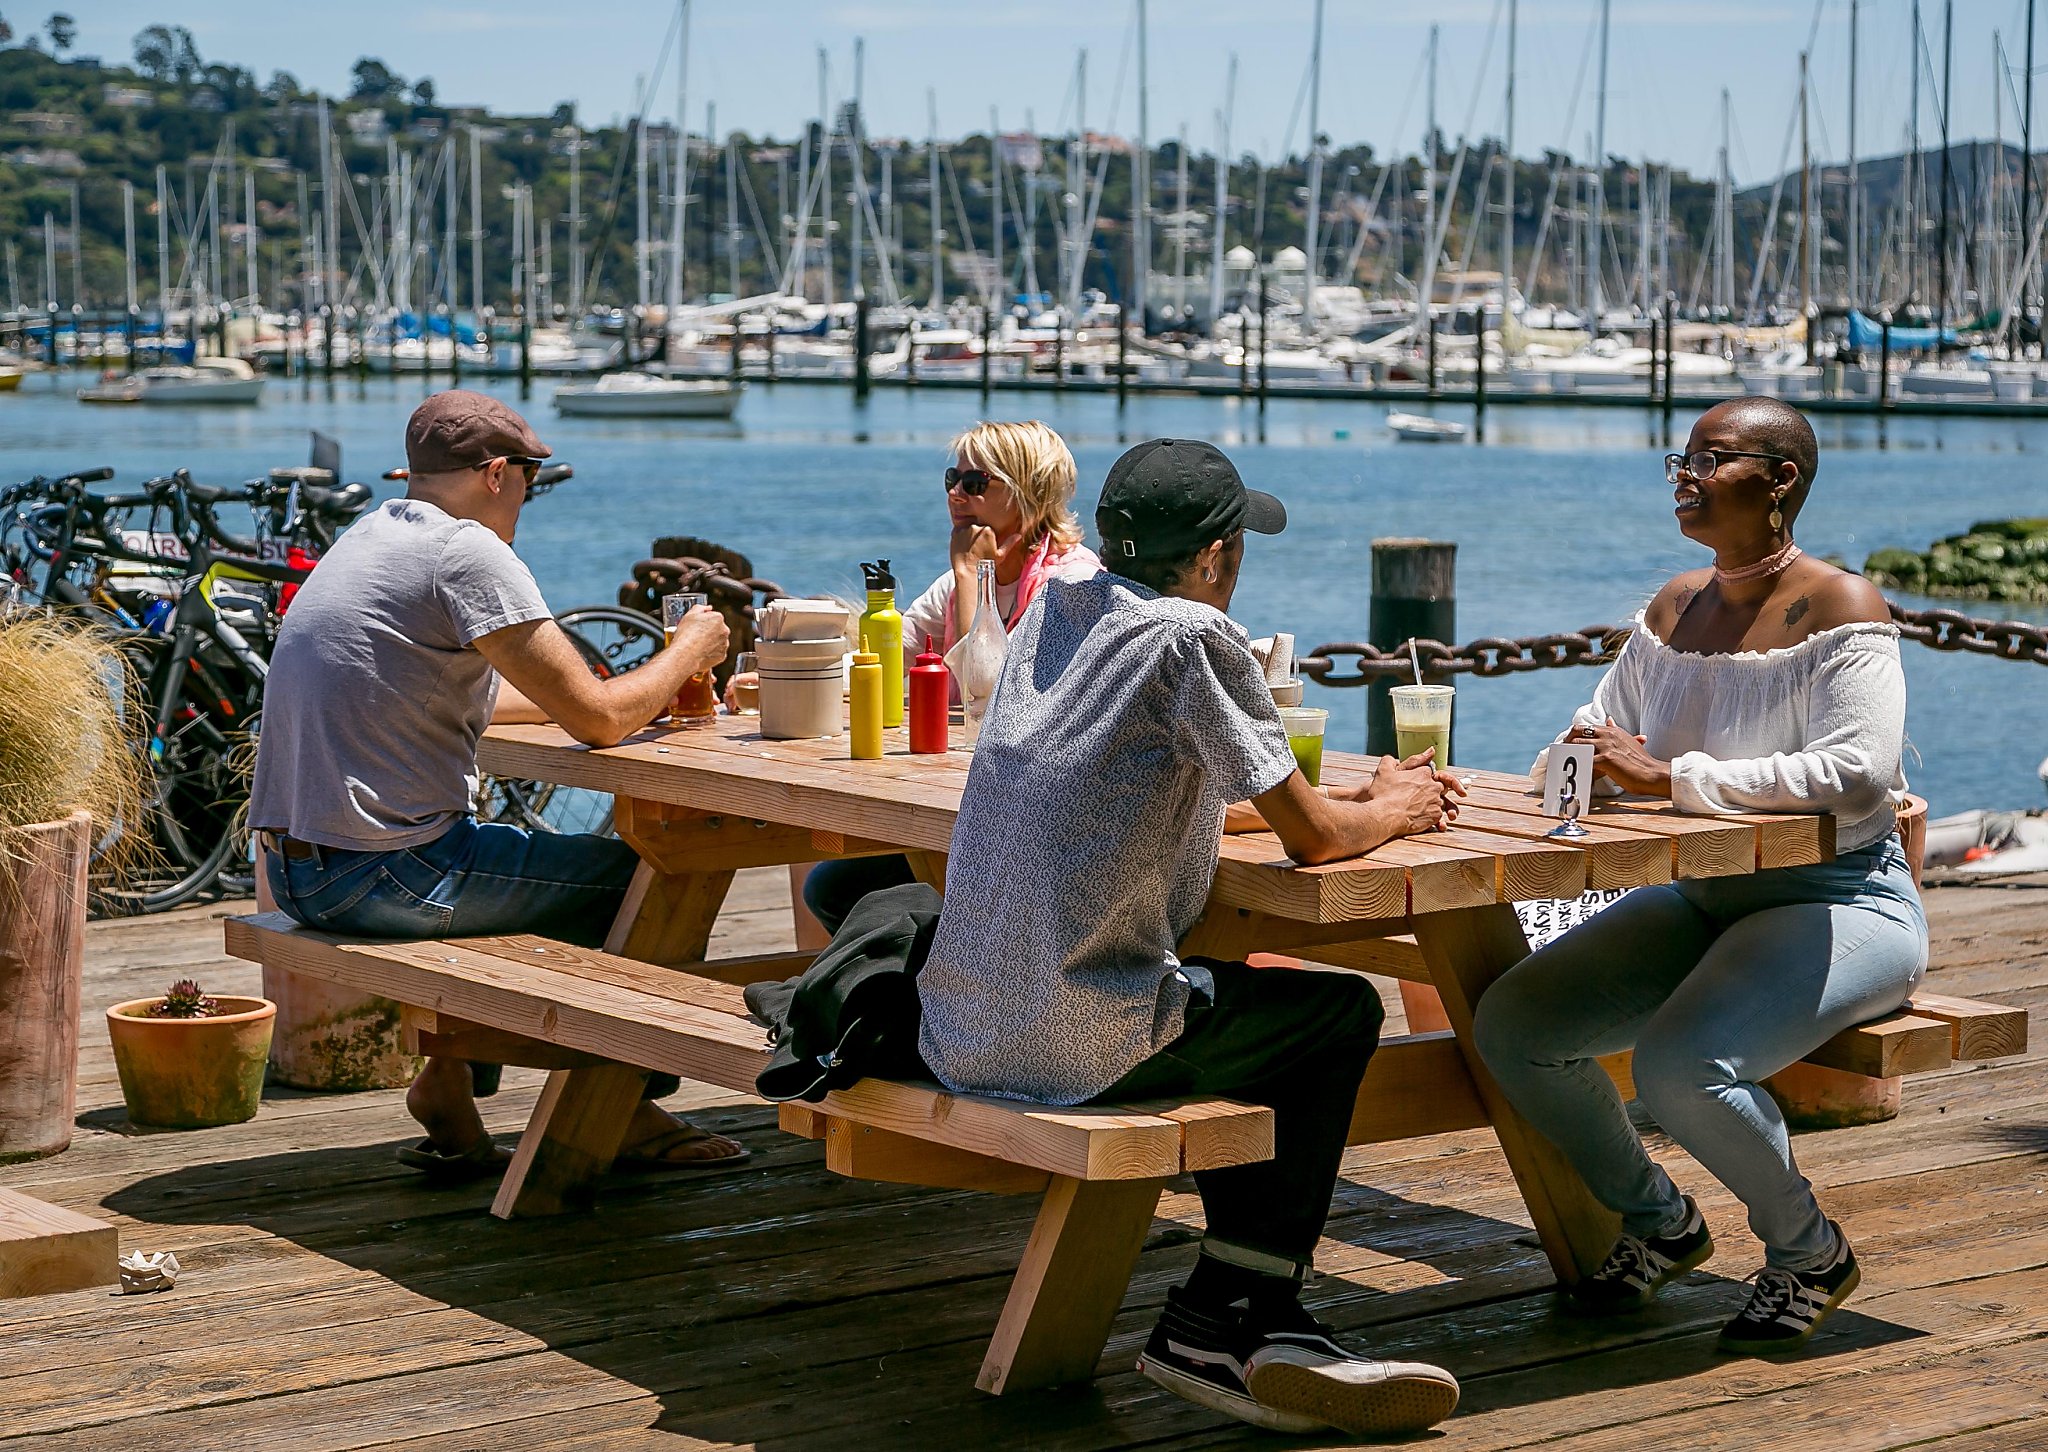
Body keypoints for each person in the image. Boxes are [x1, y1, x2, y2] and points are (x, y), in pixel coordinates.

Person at [915, 439, 1464, 1438]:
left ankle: (1243, 1314)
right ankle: (1228, 1311)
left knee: (1242, 1009)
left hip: (957, 1021)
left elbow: (1171, 798)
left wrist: (1355, 799)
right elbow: (1313, 840)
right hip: (1067, 1037)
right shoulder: (1191, 637)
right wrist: (1403, 804)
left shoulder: (1058, 608)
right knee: (1333, 1011)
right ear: (1215, 555)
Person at [1473, 397, 1926, 1355]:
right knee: (1516, 1025)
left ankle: (1809, 1253)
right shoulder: (1673, 606)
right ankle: (1660, 1220)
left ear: (1782, 480)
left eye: (1711, 459)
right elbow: (1595, 730)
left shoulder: (1843, 605)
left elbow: (1860, 773)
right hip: (1703, 897)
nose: (1685, 473)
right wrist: (1586, 758)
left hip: (1845, 901)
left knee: (1683, 1067)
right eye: (1680, 457)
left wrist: (1672, 776)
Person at [249, 390, 749, 1178]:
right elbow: (597, 724)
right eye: (529, 478)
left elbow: (508, 700)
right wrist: (687, 650)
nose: (528, 497)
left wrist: (621, 689)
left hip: (297, 870)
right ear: (494, 474)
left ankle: (448, 1083)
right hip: (382, 873)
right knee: (639, 881)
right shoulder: (465, 552)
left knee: (538, 870)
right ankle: (622, 1110)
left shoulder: (373, 535)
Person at [798, 420, 1103, 934]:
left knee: (840, 890)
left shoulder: (1075, 583)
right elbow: (889, 660)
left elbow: (990, 699)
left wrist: (972, 578)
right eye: (951, 480)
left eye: (976, 483)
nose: (957, 495)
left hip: (1037, 822)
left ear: (1027, 491)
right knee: (827, 879)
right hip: (963, 799)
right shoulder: (954, 579)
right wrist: (803, 679)